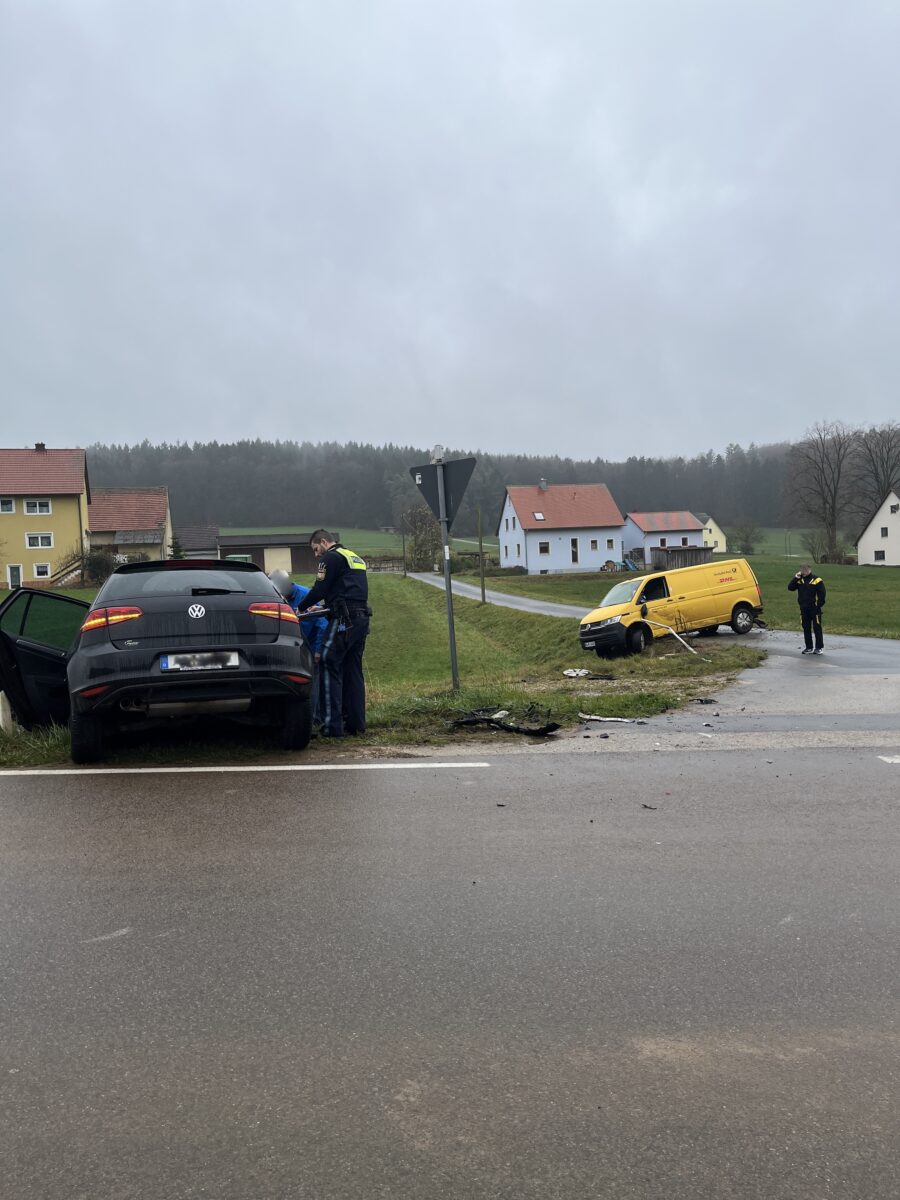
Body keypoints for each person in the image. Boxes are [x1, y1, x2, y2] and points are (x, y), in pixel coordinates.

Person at [296, 530, 371, 738]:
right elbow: (346, 591)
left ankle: (332, 727)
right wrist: (321, 606)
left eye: (315, 549)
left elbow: (320, 589)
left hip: (342, 621)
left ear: (323, 541)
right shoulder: (353, 557)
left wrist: (301, 607)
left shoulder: (330, 557)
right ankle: (355, 724)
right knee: (353, 670)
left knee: (329, 664)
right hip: (360, 619)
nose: (316, 555)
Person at [269, 569, 329, 716]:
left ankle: (314, 718)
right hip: (292, 647)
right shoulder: (276, 598)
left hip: (311, 647)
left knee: (313, 683)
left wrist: (317, 650)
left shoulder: (306, 595)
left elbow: (322, 624)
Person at [788, 564, 826, 654]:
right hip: (804, 608)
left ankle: (819, 647)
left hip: (814, 609)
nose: (803, 571)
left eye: (805, 569)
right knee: (806, 628)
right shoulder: (799, 580)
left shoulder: (817, 580)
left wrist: (818, 605)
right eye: (802, 569)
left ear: (809, 569)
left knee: (817, 628)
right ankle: (809, 647)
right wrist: (795, 578)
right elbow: (790, 588)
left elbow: (822, 595)